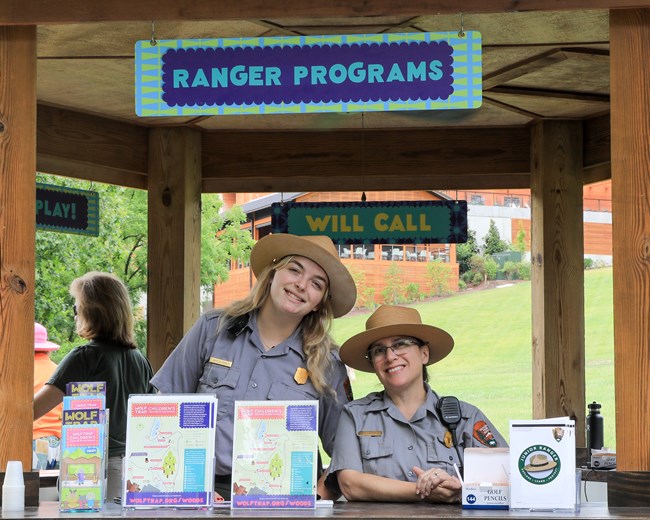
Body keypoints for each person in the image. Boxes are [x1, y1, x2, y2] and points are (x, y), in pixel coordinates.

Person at [150, 234, 357, 500]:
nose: (301, 285)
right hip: (204, 491)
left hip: (286, 498)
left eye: (316, 284)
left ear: (320, 302)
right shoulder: (213, 328)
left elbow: (345, 451)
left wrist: (317, 496)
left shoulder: (328, 361)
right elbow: (164, 409)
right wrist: (187, 487)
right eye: (294, 270)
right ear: (272, 274)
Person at [326, 304, 507, 503]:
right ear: (372, 363)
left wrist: (462, 489)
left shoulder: (466, 417)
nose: (390, 356)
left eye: (401, 344)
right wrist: (422, 490)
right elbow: (351, 485)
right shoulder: (355, 416)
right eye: (378, 350)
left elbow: (506, 477)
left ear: (424, 354)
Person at [33, 271, 154, 500]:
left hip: (89, 467)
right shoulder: (141, 361)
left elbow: (32, 410)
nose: (75, 314)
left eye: (76, 307)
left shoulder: (85, 357)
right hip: (135, 471)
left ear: (91, 312)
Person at [33, 322, 63, 470]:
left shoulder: (19, 373)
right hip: (60, 444)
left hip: (34, 441)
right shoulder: (58, 371)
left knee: (31, 490)